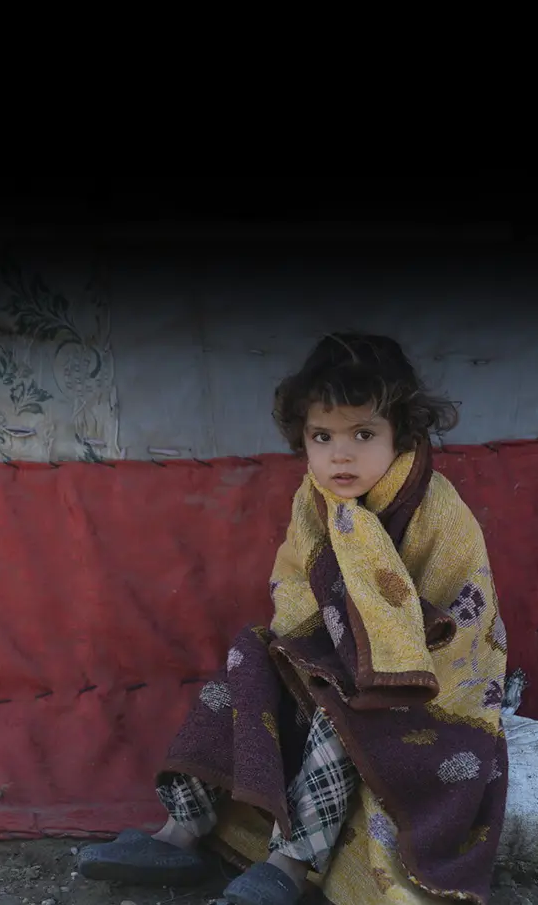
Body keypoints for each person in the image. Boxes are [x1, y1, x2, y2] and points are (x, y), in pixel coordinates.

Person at [79, 333, 509, 905]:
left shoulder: (437, 511)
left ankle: (289, 862)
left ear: (403, 432)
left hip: (421, 684)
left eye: (363, 435)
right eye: (321, 436)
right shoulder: (315, 501)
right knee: (251, 656)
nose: (340, 455)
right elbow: (295, 590)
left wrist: (376, 654)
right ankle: (181, 830)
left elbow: (464, 618)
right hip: (335, 656)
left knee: (343, 707)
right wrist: (313, 652)